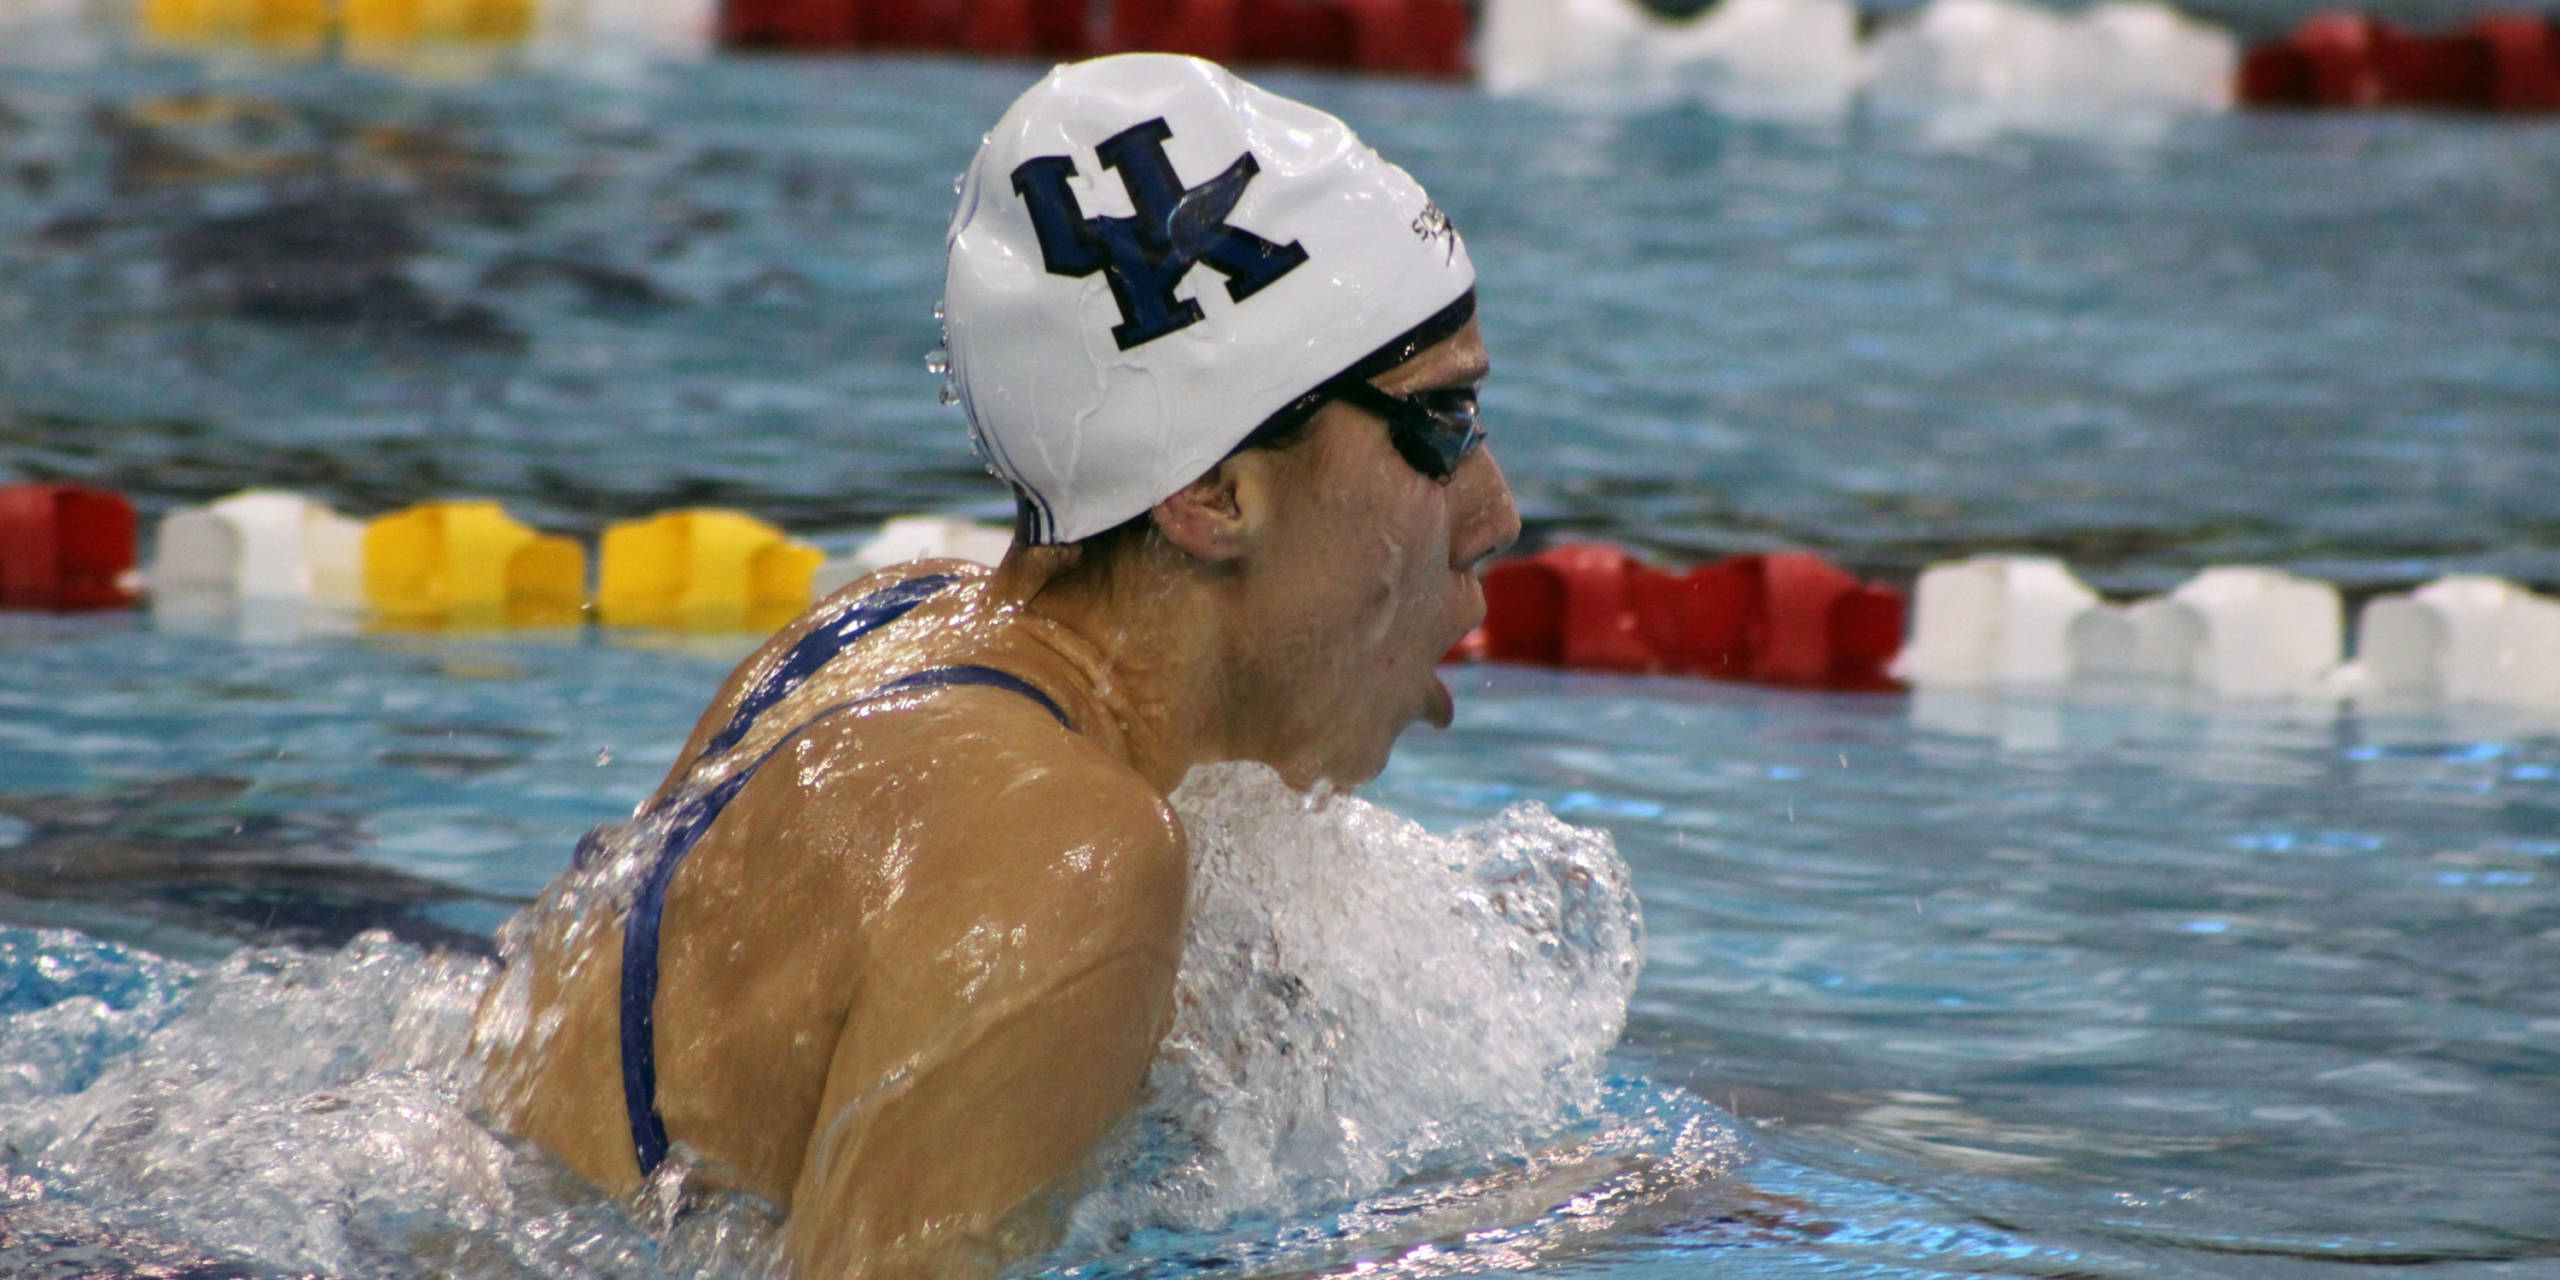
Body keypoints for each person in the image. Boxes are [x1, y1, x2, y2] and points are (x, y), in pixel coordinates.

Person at [472, 53, 1519, 1279]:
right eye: (1439, 425)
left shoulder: (880, 632)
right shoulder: (1066, 854)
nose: (1495, 512)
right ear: (1210, 491)